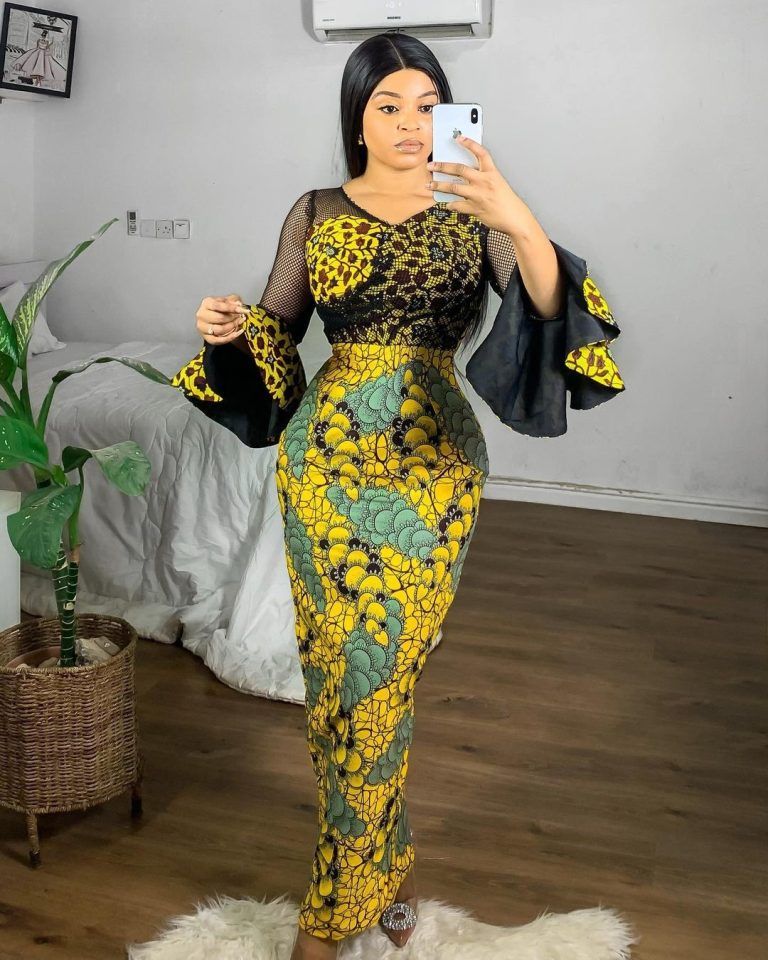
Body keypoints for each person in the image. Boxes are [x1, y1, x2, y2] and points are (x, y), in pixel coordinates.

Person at [170, 31, 625, 960]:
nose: (411, 122)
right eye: (389, 105)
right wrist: (230, 329)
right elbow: (277, 331)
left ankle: (333, 910)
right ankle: (383, 870)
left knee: (385, 676)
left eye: (428, 105)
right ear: (359, 118)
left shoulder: (473, 209)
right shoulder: (314, 212)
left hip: (433, 467)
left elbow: (549, 309)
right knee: (340, 680)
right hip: (323, 465)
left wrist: (514, 212)